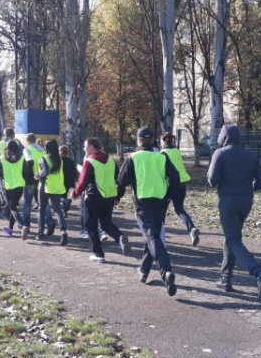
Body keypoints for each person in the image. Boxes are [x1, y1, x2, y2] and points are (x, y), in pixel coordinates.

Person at [207, 124, 261, 301]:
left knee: (233, 239)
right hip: (246, 201)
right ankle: (225, 279)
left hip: (228, 200)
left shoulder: (220, 153)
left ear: (223, 137)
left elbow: (212, 179)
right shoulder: (250, 155)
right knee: (232, 238)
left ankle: (258, 273)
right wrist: (249, 187)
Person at [118, 127, 180, 296]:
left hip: (142, 203)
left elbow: (122, 181)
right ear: (153, 140)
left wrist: (118, 196)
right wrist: (168, 196)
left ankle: (166, 271)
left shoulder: (133, 157)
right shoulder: (162, 157)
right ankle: (144, 271)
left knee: (151, 237)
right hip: (160, 202)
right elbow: (175, 178)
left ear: (138, 140)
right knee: (152, 237)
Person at [73, 137, 130, 263]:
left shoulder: (89, 161)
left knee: (90, 225)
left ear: (92, 147)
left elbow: (83, 181)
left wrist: (75, 193)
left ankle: (98, 254)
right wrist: (118, 196)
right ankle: (120, 237)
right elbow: (118, 179)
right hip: (109, 196)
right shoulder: (110, 160)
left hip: (94, 197)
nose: (84, 148)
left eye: (85, 146)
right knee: (106, 223)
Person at [161, 132, 200, 245]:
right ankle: (192, 229)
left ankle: (160, 233)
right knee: (179, 209)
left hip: (170, 185)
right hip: (182, 184)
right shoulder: (176, 151)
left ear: (163, 141)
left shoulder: (163, 153)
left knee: (162, 209)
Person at [0, 139, 32, 241]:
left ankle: (22, 226)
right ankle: (10, 228)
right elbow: (26, 172)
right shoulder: (21, 158)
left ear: (6, 148)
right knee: (14, 207)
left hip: (8, 187)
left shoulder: (2, 159)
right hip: (19, 186)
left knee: (12, 208)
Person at [36, 139, 69, 245]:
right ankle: (63, 231)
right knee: (58, 210)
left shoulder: (44, 158)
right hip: (57, 187)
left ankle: (40, 232)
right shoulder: (60, 159)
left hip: (45, 186)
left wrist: (36, 175)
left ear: (46, 148)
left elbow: (44, 172)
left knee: (41, 209)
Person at [23, 134, 54, 235]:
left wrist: (30, 174)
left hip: (32, 179)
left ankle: (26, 225)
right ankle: (50, 221)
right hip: (42, 179)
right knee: (43, 203)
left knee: (27, 203)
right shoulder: (42, 149)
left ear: (27, 141)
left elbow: (29, 161)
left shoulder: (27, 149)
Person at [59, 145, 79, 215]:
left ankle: (64, 207)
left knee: (61, 196)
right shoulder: (71, 161)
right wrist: (77, 178)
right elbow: (74, 171)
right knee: (66, 194)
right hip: (69, 180)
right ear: (67, 152)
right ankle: (67, 203)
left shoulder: (58, 160)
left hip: (61, 180)